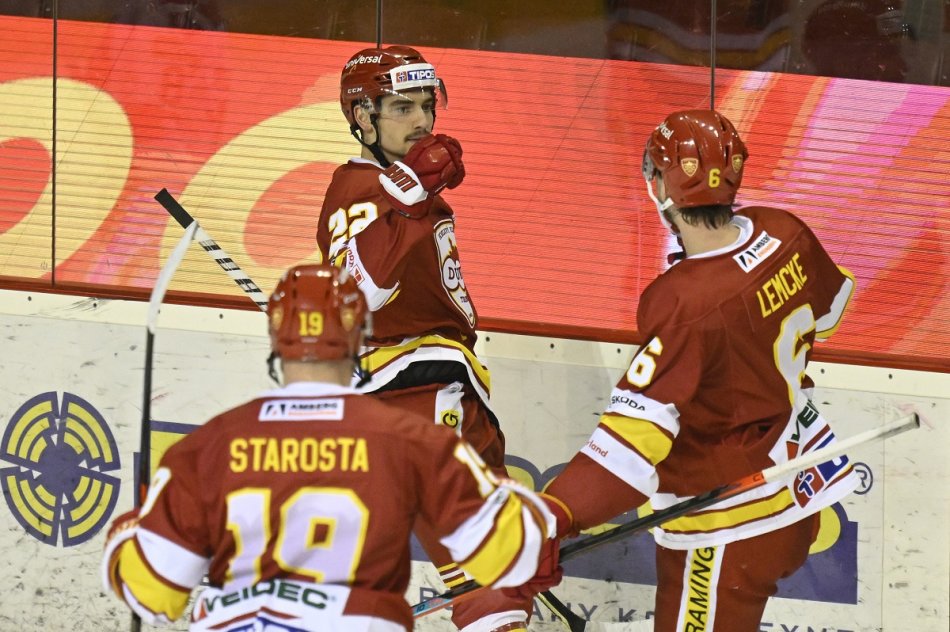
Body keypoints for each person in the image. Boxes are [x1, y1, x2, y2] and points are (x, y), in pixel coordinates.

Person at [101, 264, 567, 632]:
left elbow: (154, 594)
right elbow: (506, 554)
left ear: (275, 339)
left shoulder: (207, 447)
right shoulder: (416, 441)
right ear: (360, 335)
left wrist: (130, 532)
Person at [540, 110, 859, 631]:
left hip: (732, 519)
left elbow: (631, 444)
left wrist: (548, 518)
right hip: (799, 487)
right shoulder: (784, 229)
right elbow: (829, 310)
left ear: (659, 187)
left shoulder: (683, 301)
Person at [316, 46, 551, 632]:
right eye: (403, 108)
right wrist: (406, 191)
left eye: (426, 105)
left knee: (497, 572)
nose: (422, 121)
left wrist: (411, 193)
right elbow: (352, 297)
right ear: (362, 117)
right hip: (416, 395)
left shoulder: (400, 190)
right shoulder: (360, 188)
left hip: (444, 389)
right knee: (488, 581)